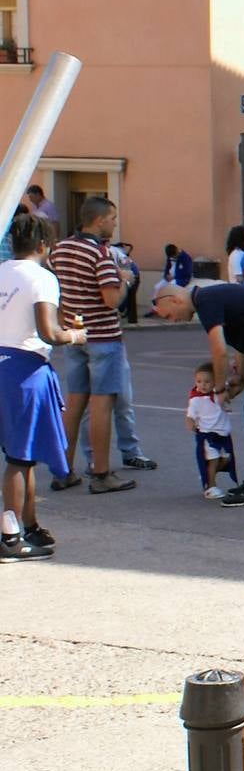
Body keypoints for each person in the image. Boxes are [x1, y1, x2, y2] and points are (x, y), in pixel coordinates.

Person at [149, 278, 244, 508]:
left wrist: (219, 390)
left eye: (168, 315)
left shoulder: (206, 302)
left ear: (174, 300)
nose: (172, 320)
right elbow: (241, 338)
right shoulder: (209, 299)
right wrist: (239, 377)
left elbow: (219, 351)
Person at [48, 197, 146, 494]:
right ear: (100, 220)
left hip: (76, 333)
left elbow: (56, 290)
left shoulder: (60, 249)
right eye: (113, 218)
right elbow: (111, 300)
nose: (115, 224)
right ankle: (101, 473)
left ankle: (63, 469)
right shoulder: (101, 254)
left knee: (74, 401)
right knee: (102, 404)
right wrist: (125, 280)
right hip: (104, 337)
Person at [0, 213, 82, 560]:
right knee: (20, 457)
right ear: (43, 245)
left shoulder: (3, 270)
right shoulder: (43, 278)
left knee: (25, 454)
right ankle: (11, 536)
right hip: (24, 369)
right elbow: (49, 332)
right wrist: (75, 334)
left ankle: (29, 524)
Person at [185, 362, 237, 499]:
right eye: (199, 381)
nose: (202, 385)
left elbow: (230, 385)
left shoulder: (217, 394)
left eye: (207, 382)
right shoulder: (196, 400)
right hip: (207, 435)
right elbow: (190, 415)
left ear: (215, 382)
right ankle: (210, 487)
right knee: (213, 460)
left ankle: (208, 474)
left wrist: (232, 369)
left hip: (223, 434)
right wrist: (190, 423)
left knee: (227, 459)